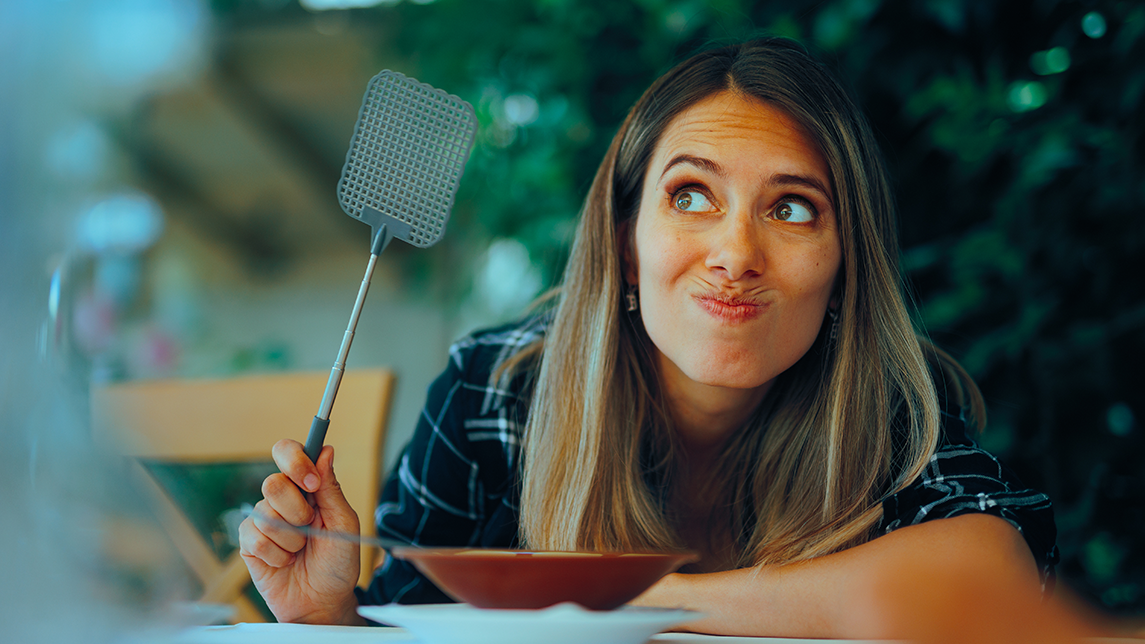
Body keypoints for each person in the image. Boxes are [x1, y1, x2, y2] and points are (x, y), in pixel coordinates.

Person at [237, 37, 1058, 637]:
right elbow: (403, 626)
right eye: (692, 197)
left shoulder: (890, 408)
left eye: (793, 208)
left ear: (845, 266)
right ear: (626, 245)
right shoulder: (497, 389)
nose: (736, 255)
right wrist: (330, 617)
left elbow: (995, 577)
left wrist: (616, 601)